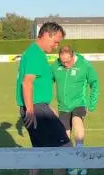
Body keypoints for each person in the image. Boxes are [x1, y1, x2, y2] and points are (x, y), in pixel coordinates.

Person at [15, 21, 71, 149]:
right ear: (46, 35)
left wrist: (47, 106)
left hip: (38, 107)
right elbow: (27, 82)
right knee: (65, 146)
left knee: (40, 151)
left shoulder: (37, 53)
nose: (56, 46)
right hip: (37, 110)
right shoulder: (35, 54)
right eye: (56, 42)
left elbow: (37, 84)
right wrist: (30, 110)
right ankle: (77, 169)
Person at [53, 45, 99, 149]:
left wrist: (92, 104)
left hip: (79, 103)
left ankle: (79, 150)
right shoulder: (56, 65)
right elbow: (47, 80)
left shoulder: (85, 65)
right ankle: (67, 160)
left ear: (73, 56)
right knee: (64, 135)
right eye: (62, 61)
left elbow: (95, 83)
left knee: (76, 120)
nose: (65, 64)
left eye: (67, 61)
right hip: (63, 106)